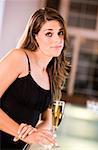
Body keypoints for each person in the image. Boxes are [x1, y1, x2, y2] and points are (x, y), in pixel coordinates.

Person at [0, 7, 70, 149]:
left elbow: (47, 119)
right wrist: (24, 134)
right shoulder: (19, 58)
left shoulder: (53, 74)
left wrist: (39, 133)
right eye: (49, 34)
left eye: (60, 33)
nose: (57, 39)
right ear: (35, 36)